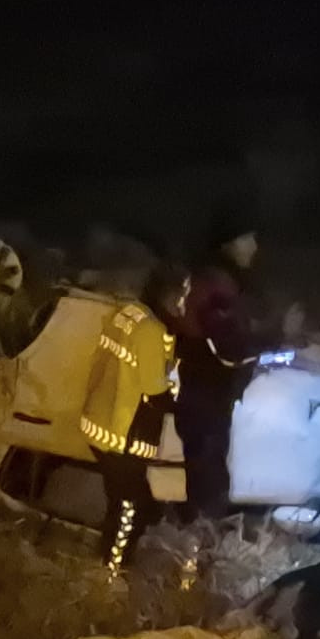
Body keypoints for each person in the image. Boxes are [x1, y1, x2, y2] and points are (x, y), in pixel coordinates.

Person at [81, 264, 190, 575]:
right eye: (182, 295)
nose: (185, 303)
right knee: (129, 507)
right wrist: (182, 406)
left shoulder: (128, 314)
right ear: (167, 295)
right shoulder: (152, 332)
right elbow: (155, 392)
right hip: (124, 434)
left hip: (99, 423)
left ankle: (110, 561)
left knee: (123, 501)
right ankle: (112, 572)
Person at [174, 216, 266, 521]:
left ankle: (198, 524)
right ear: (231, 244)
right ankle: (203, 530)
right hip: (205, 388)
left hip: (200, 385)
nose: (254, 246)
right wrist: (271, 344)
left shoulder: (213, 277)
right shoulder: (218, 285)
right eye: (248, 239)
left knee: (203, 461)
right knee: (207, 464)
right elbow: (228, 347)